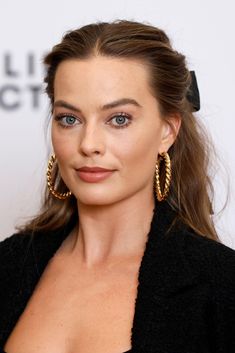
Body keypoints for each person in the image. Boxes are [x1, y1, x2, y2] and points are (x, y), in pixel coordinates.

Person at [0, 19, 235, 353]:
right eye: (70, 119)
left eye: (119, 119)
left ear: (167, 131)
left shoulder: (222, 288)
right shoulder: (7, 265)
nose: (89, 144)